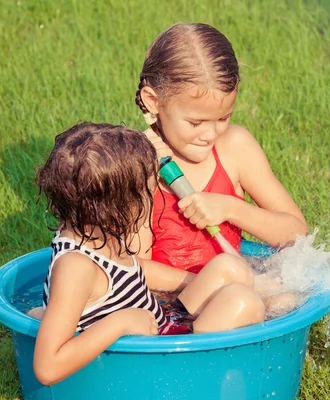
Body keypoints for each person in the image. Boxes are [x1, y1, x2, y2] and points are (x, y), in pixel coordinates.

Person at [30, 123, 265, 386]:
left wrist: (197, 283)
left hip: (165, 322)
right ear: (117, 208)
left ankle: (262, 292)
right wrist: (119, 324)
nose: (151, 201)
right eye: (147, 194)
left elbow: (134, 269)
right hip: (162, 357)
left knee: (228, 267)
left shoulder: (93, 230)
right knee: (243, 301)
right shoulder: (76, 267)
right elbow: (47, 368)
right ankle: (203, 367)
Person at [133, 23, 308, 303]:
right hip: (167, 309)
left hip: (233, 293)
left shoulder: (235, 148)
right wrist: (212, 283)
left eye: (223, 118)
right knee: (247, 301)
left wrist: (231, 208)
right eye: (196, 122)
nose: (211, 134)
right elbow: (133, 268)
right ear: (153, 101)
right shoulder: (137, 166)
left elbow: (297, 235)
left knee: (285, 300)